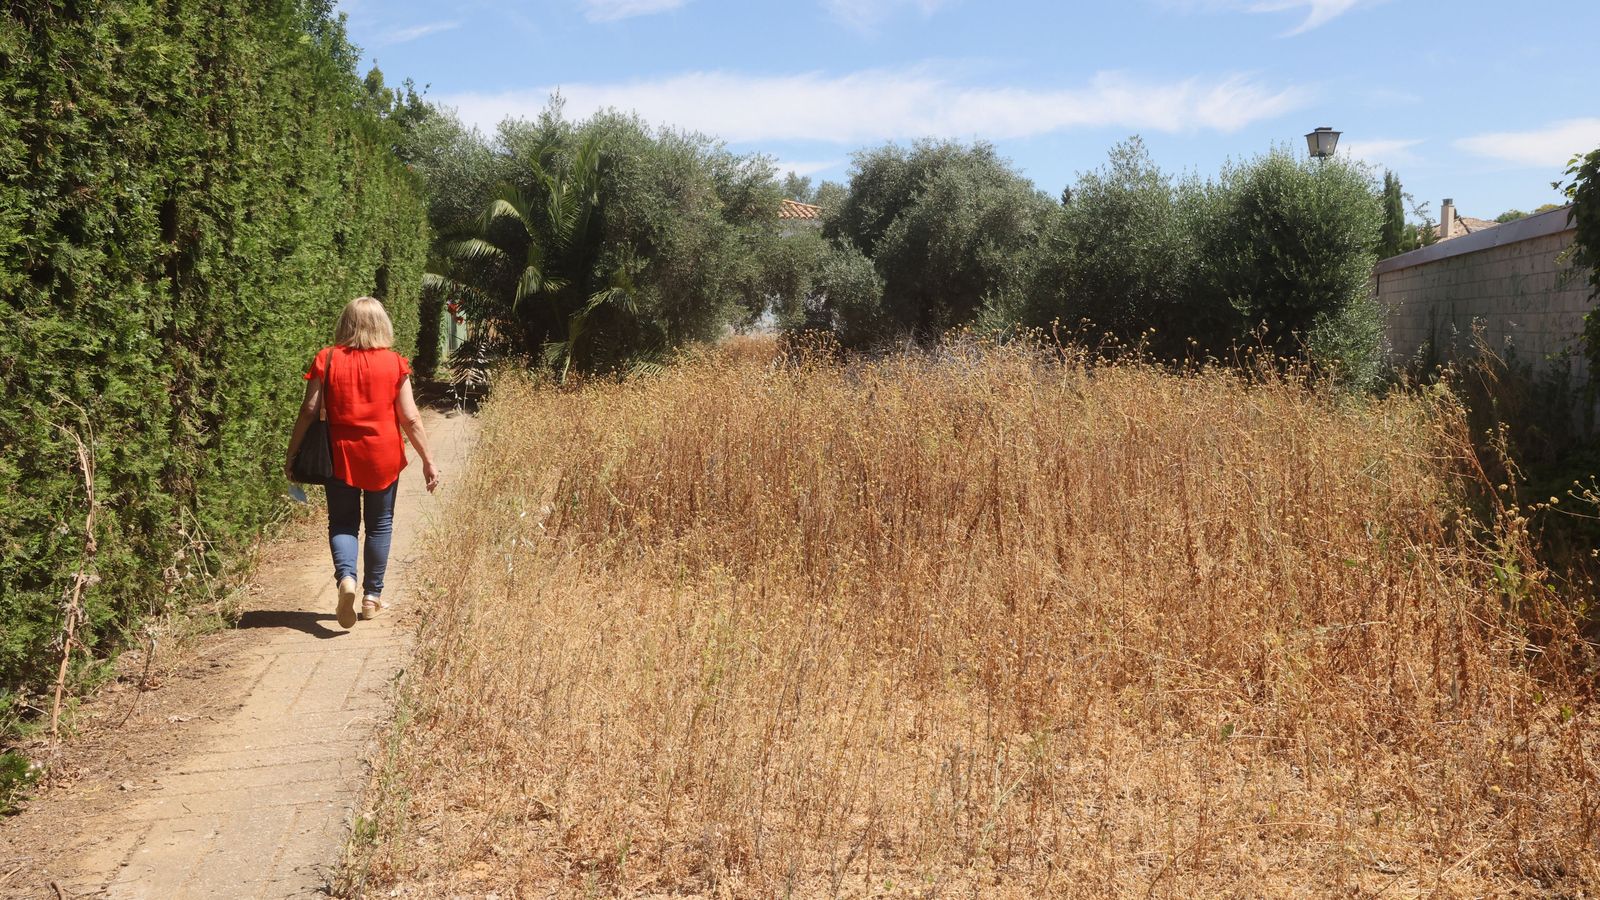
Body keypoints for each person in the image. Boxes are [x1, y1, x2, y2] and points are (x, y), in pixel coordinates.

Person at [284, 297, 441, 629]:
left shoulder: (326, 359)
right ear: (382, 324)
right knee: (380, 525)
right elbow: (410, 418)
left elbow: (309, 410)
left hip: (339, 454)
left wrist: (292, 452)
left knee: (342, 523)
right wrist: (428, 459)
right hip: (382, 455)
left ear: (346, 324)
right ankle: (372, 597)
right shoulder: (395, 364)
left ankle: (347, 580)